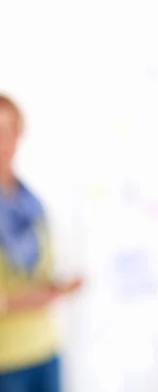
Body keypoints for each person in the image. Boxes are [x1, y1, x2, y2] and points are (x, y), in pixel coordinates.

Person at [0, 94, 82, 392]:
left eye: (9, 129)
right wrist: (43, 297)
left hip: (45, 349)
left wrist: (60, 287)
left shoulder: (31, 203)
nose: (3, 141)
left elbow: (41, 271)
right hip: (6, 361)